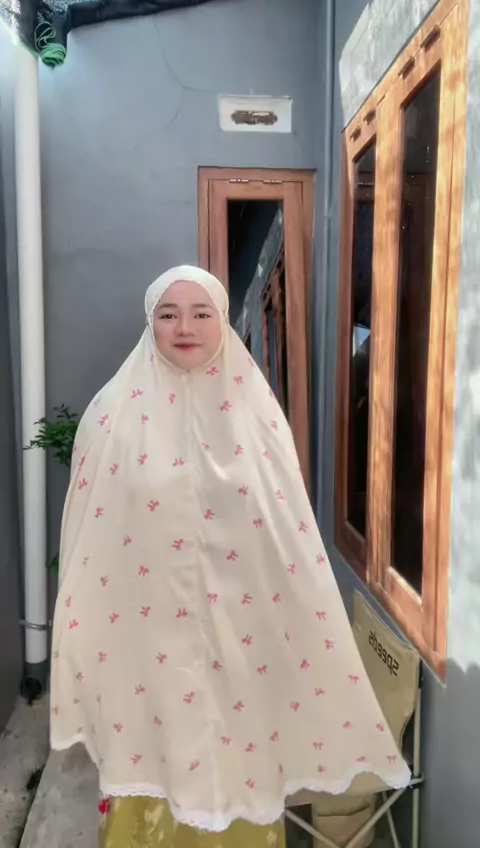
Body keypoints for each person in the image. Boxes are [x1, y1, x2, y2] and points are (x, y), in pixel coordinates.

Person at [50, 266, 410, 848]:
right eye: (168, 315)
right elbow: (88, 539)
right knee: (151, 769)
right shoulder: (110, 416)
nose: (184, 328)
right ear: (150, 323)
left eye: (201, 314)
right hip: (146, 642)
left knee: (239, 766)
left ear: (221, 321)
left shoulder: (256, 414)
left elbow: (287, 533)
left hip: (243, 641)